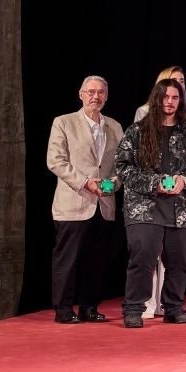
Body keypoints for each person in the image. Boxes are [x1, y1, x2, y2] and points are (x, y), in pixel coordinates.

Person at [116, 79, 186, 327]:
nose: (169, 102)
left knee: (180, 262)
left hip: (183, 208)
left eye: (174, 97)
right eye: (165, 97)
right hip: (144, 207)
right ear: (156, 98)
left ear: (181, 101)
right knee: (143, 259)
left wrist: (184, 180)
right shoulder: (137, 131)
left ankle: (173, 307)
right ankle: (134, 309)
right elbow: (123, 167)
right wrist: (154, 183)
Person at [46, 75, 124, 324]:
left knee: (96, 261)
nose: (95, 97)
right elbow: (55, 160)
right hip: (73, 204)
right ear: (81, 94)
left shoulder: (114, 126)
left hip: (104, 204)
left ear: (106, 96)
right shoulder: (64, 122)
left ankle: (89, 307)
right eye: (90, 92)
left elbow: (121, 165)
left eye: (100, 92)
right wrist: (86, 182)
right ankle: (63, 309)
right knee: (67, 261)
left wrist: (112, 184)